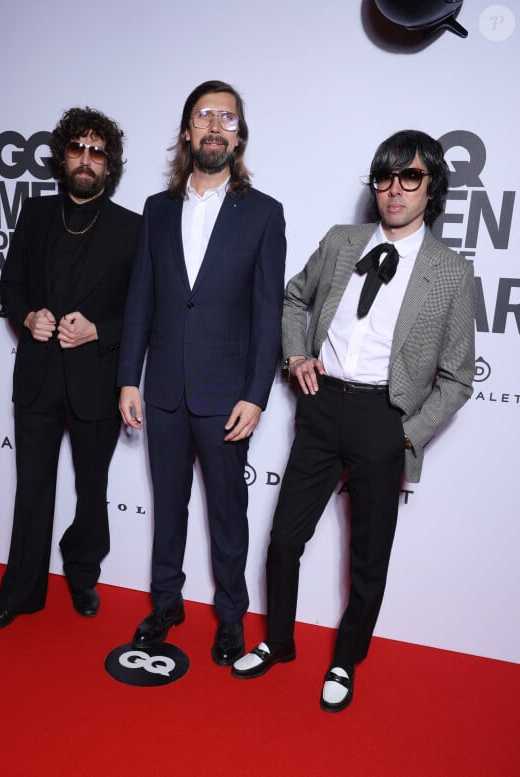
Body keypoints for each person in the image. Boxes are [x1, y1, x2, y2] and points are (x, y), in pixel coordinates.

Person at [232, 130, 475, 711]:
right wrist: (295, 358)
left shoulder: (450, 272)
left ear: (431, 187)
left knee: (368, 557)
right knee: (284, 538)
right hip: (322, 407)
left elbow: (459, 378)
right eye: (385, 177)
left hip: (383, 420)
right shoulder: (343, 242)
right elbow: (293, 298)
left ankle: (345, 660)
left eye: (410, 178)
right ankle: (279, 642)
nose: (395, 190)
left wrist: (407, 433)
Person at [118, 80, 286, 666]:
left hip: (224, 398)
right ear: (188, 131)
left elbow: (268, 315)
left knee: (226, 515)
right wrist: (128, 377)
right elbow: (141, 299)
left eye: (228, 119)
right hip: (161, 388)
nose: (215, 126)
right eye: (204, 116)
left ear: (238, 137)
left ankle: (232, 617)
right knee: (168, 507)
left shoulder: (264, 213)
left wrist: (256, 395)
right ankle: (167, 603)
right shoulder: (157, 210)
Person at [0, 107, 141, 633]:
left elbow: (141, 312)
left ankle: (83, 571)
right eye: (78, 149)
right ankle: (19, 594)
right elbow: (11, 287)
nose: (87, 160)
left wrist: (98, 331)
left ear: (109, 164)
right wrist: (27, 315)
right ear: (62, 156)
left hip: (96, 378)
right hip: (39, 377)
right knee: (33, 490)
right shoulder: (36, 214)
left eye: (98, 151)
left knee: (92, 490)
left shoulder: (132, 228)